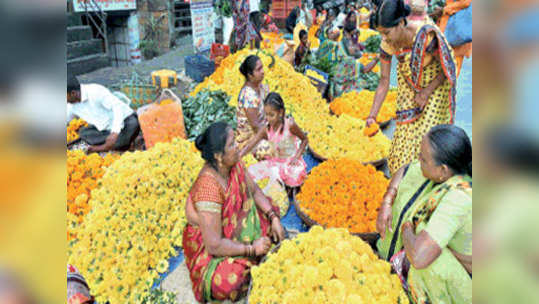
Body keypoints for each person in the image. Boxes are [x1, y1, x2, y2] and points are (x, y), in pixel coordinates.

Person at [183, 122, 285, 303]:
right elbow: (214, 245)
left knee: (273, 224)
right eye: (232, 144)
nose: (237, 145)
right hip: (212, 240)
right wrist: (252, 249)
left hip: (236, 222)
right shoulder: (208, 187)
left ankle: (257, 249)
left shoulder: (234, 164)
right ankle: (254, 254)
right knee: (229, 282)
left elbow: (253, 191)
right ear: (218, 156)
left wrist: (273, 217)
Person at [376, 124, 472, 303]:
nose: (418, 159)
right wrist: (387, 201)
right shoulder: (436, 172)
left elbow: (419, 257)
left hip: (458, 283)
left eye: (423, 158)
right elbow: (406, 169)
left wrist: (407, 226)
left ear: (443, 170)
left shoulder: (459, 198)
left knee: (431, 261)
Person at [367, 0, 457, 175]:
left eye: (387, 32)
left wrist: (426, 92)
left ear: (401, 23)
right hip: (410, 86)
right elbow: (384, 81)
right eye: (381, 34)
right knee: (400, 148)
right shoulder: (387, 44)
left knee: (424, 143)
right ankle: (401, 183)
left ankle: (425, 180)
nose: (385, 38)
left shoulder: (425, 35)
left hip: (434, 87)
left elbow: (447, 68)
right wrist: (372, 115)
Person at [240, 93, 308, 195]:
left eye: (271, 115)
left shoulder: (290, 125)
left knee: (295, 173)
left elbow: (304, 140)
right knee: (252, 172)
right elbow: (251, 144)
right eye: (266, 114)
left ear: (280, 113)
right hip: (275, 162)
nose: (268, 118)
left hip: (290, 163)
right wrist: (239, 155)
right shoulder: (265, 129)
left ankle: (284, 185)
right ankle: (282, 185)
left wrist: (297, 157)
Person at [66, 74, 139, 152]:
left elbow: (117, 107)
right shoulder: (71, 105)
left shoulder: (95, 91)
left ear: (73, 93)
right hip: (105, 129)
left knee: (133, 124)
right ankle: (120, 143)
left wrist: (115, 132)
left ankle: (104, 147)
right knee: (84, 133)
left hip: (125, 122)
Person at [235, 55, 273, 160]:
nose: (263, 71)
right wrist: (274, 137)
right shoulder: (248, 96)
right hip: (250, 139)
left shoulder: (262, 87)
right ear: (250, 75)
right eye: (258, 69)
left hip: (263, 130)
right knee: (276, 149)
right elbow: (256, 127)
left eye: (262, 68)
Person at [331, 22, 380, 99]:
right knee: (362, 85)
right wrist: (377, 59)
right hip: (343, 91)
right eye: (351, 45)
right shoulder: (349, 61)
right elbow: (365, 69)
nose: (354, 47)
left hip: (336, 86)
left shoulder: (339, 48)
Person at [437, 0, 472, 76]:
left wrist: (447, 8)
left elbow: (466, 2)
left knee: (453, 71)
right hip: (446, 25)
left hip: (457, 30)